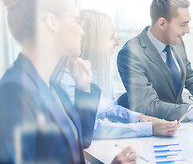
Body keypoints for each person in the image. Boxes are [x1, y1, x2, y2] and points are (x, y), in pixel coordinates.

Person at [0, 0, 136, 164]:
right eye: (76, 21)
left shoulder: (50, 84)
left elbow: (81, 140)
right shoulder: (15, 90)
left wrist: (83, 88)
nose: (82, 31)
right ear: (52, 22)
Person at [60, 9, 179, 138]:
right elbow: (91, 128)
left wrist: (141, 118)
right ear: (94, 42)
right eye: (111, 38)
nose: (116, 43)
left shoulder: (97, 71)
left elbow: (108, 107)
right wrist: (148, 128)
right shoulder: (65, 80)